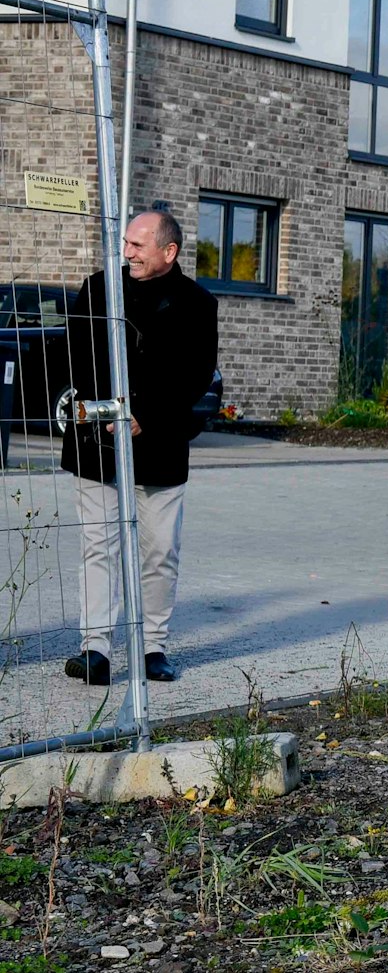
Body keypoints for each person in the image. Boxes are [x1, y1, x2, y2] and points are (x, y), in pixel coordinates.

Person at [62, 204, 219, 687]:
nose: (126, 252)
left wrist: (144, 416)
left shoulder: (198, 304)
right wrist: (103, 410)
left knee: (159, 552)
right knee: (99, 547)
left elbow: (194, 375)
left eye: (137, 245)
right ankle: (95, 650)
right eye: (125, 243)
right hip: (97, 442)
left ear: (168, 251)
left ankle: (152, 648)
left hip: (161, 445)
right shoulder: (98, 288)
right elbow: (78, 355)